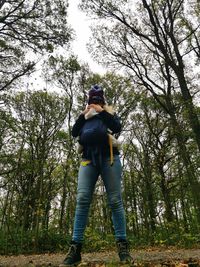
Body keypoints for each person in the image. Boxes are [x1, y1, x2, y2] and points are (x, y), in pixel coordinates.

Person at [62, 85, 133, 266]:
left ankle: (123, 249)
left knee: (115, 201)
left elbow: (117, 126)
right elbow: (74, 132)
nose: (94, 103)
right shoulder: (84, 117)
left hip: (110, 157)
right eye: (92, 100)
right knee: (82, 199)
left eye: (97, 100)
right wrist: (81, 115)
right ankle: (75, 249)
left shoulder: (108, 113)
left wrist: (101, 111)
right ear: (88, 101)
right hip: (88, 160)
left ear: (102, 101)